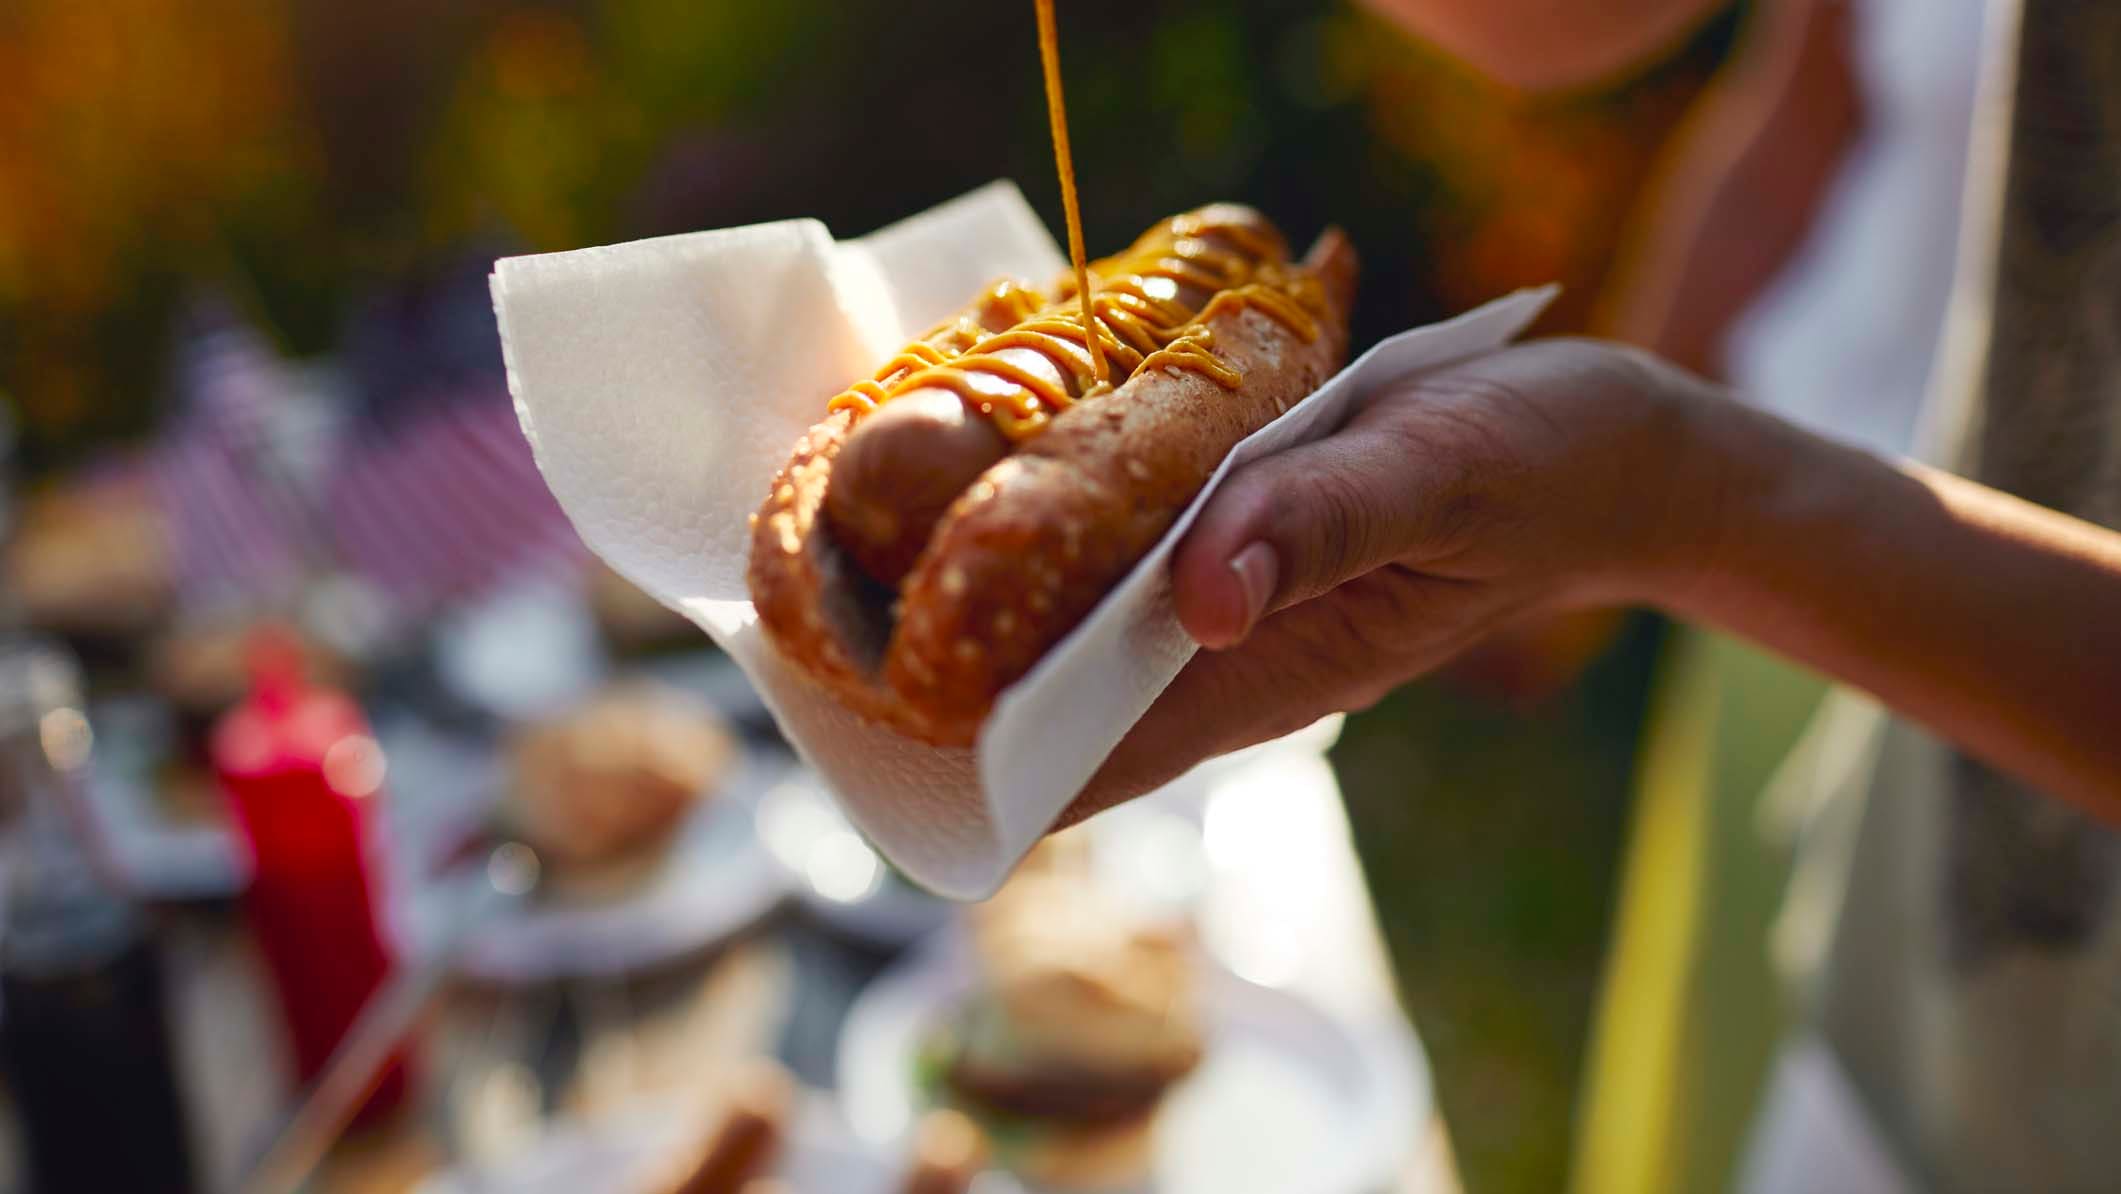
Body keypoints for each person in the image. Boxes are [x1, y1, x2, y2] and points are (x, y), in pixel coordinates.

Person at [1088, 0, 2121, 1190]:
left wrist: (1676, 500)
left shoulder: (1714, 502)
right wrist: (1644, 502)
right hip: (1816, 654)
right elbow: (1706, 87)